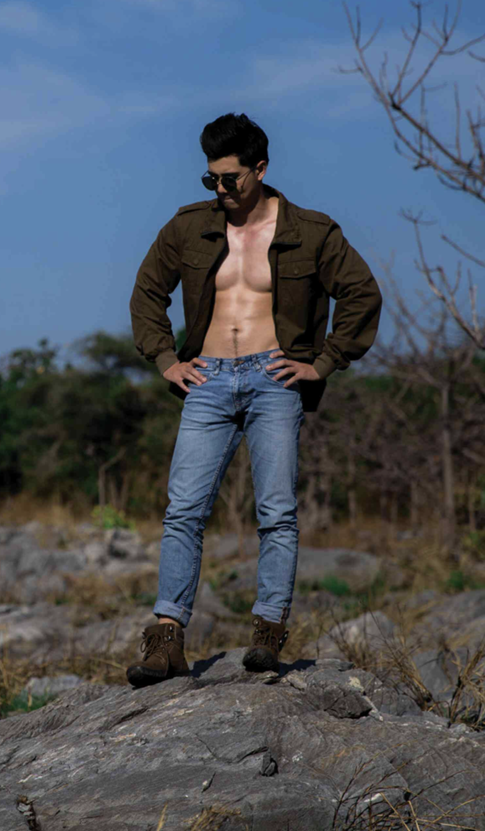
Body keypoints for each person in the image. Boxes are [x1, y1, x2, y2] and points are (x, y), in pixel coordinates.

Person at [125, 113, 382, 686]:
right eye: (210, 178)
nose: (219, 188)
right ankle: (166, 640)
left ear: (260, 169)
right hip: (207, 380)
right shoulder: (188, 227)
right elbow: (147, 292)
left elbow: (362, 294)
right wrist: (166, 360)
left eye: (230, 178)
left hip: (275, 379)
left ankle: (267, 632)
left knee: (277, 512)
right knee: (183, 510)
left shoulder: (311, 231)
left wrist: (322, 363)